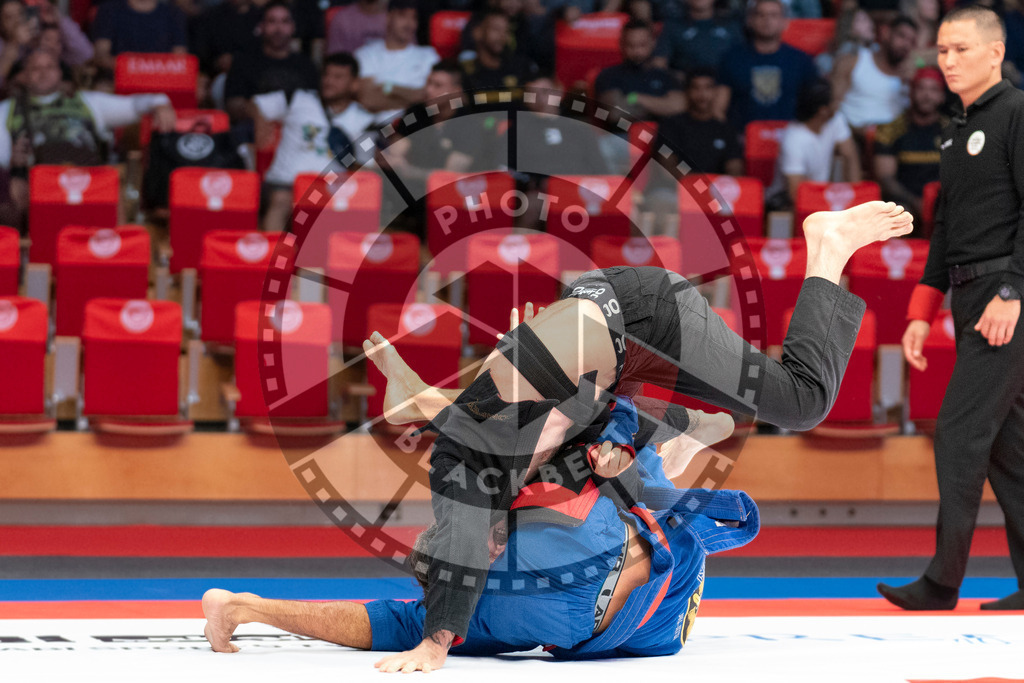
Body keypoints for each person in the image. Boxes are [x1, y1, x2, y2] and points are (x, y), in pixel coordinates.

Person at [361, 200, 913, 671]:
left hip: (646, 319)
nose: (499, 552)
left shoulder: (466, 476)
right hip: (613, 337)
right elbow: (587, 419)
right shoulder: (515, 465)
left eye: (488, 552)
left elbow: (461, 536)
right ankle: (423, 402)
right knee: (576, 417)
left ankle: (829, 244)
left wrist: (436, 641)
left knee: (801, 401)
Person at [201, 396, 755, 663]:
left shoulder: (477, 598)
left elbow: (380, 623)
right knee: (621, 469)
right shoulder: (471, 612)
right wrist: (250, 607)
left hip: (639, 588)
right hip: (646, 617)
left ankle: (675, 443)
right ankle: (675, 444)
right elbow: (378, 623)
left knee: (614, 461)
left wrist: (254, 608)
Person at [880, 5, 1024, 612]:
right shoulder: (955, 131)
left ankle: (943, 581)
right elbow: (944, 232)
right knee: (1006, 448)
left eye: (961, 49)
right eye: (942, 50)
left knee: (960, 435)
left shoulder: (1017, 113)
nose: (948, 61)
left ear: (994, 52)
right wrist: (921, 309)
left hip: (1003, 296)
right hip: (969, 297)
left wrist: (1014, 291)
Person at [0, 49, 174, 221]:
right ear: (23, 75)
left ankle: (119, 243)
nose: (43, 73)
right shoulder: (7, 109)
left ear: (60, 72)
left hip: (91, 179)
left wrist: (160, 105)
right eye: (36, 68)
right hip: (37, 182)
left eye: (49, 67)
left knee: (112, 179)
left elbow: (138, 104)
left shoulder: (87, 101)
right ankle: (32, 243)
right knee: (13, 187)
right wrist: (12, 160)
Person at [253, 52, 375, 232]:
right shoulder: (297, 98)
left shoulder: (365, 121)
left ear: (354, 84)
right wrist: (260, 125)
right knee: (281, 200)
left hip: (331, 190)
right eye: (326, 75)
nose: (329, 81)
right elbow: (257, 104)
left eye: (338, 77)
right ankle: (272, 256)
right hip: (286, 182)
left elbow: (366, 167)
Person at [715, 0, 819, 131]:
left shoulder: (802, 60)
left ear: (784, 22)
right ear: (750, 20)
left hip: (790, 141)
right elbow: (718, 109)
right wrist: (731, 140)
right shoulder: (732, 58)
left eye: (773, 15)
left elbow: (815, 109)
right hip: (742, 141)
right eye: (761, 15)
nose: (767, 20)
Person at [873, 66, 947, 234]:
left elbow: (961, 174)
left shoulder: (952, 130)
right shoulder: (889, 130)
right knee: (898, 218)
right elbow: (886, 179)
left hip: (941, 200)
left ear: (942, 96)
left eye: (933, 89)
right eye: (921, 88)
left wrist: (932, 203)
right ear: (911, 92)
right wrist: (916, 202)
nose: (927, 95)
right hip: (904, 201)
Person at [767, 78, 861, 209]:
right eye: (834, 101)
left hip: (822, 195)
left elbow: (849, 155)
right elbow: (795, 193)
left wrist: (856, 198)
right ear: (823, 110)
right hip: (787, 201)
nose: (840, 103)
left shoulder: (835, 120)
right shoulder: (793, 139)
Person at [223, 1, 319, 125]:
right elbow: (232, 104)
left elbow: (313, 106)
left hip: (298, 130)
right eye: (272, 21)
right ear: (261, 26)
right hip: (253, 130)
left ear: (293, 27)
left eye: (285, 22)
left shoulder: (306, 65)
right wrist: (256, 114)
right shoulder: (243, 62)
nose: (278, 29)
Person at [354, 0, 440, 126]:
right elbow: (368, 99)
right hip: (374, 128)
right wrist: (413, 102)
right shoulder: (366, 54)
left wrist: (387, 87)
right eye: (402, 15)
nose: (409, 24)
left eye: (414, 18)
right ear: (388, 17)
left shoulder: (428, 55)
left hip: (415, 128)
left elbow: (430, 98)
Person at [832, 15, 919, 133]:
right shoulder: (854, 62)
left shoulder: (910, 77)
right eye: (901, 36)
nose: (906, 44)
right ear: (886, 33)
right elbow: (832, 106)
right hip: (852, 137)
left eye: (911, 41)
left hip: (892, 143)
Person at [658, 67, 744, 176]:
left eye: (708, 88)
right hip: (677, 187)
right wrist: (696, 186)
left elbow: (734, 167)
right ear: (687, 92)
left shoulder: (726, 129)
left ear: (715, 92)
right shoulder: (671, 124)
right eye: (696, 88)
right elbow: (667, 164)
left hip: (715, 189)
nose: (702, 94)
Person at [594, 19, 685, 120]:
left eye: (642, 45)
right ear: (621, 44)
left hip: (662, 133)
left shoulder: (666, 76)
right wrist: (661, 106)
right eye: (631, 45)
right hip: (622, 133)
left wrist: (635, 98)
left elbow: (678, 107)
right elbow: (616, 113)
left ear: (653, 43)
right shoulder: (609, 75)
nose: (637, 51)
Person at [459, 10, 538, 97]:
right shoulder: (466, 72)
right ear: (477, 32)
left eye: (506, 31)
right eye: (496, 29)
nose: (502, 36)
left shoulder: (522, 67)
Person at [651, 0, 744, 73]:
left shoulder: (732, 26)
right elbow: (659, 63)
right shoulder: (672, 27)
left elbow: (743, 61)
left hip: (728, 89)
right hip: (684, 89)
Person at [91, 0, 188, 70]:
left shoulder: (174, 13)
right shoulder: (109, 10)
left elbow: (180, 57)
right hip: (117, 80)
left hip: (162, 81)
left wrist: (144, 68)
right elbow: (101, 54)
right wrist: (131, 67)